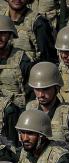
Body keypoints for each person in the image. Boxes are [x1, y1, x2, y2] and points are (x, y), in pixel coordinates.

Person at [25, 60, 69, 148]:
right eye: (37, 89)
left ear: (56, 88)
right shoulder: (29, 109)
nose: (41, 95)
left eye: (46, 89)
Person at [0, 15, 30, 143]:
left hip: (18, 113)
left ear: (11, 35)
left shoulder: (22, 59)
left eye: (3, 34)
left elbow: (32, 92)